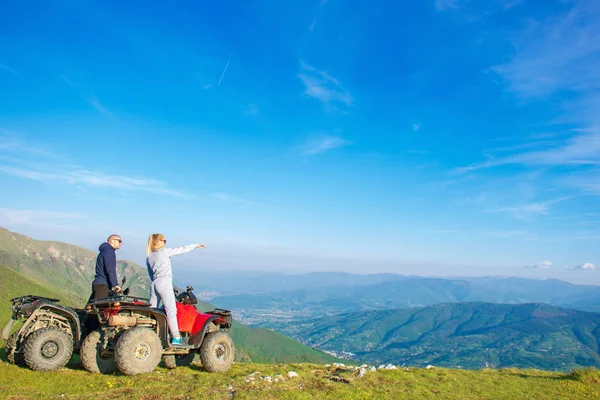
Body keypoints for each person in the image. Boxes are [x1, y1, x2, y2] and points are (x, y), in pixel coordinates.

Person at [146, 233, 206, 345]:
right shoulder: (163, 252)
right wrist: (195, 245)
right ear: (157, 242)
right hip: (164, 282)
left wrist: (156, 281)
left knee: (152, 310)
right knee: (171, 310)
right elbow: (181, 250)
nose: (165, 242)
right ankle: (176, 336)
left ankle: (150, 334)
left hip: (154, 283)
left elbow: (150, 273)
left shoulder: (149, 256)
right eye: (164, 240)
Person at [90, 234, 123, 300]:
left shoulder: (104, 250)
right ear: (111, 241)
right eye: (119, 241)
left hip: (98, 283)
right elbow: (110, 269)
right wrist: (115, 284)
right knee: (101, 308)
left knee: (91, 308)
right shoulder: (109, 251)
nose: (120, 243)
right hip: (102, 285)